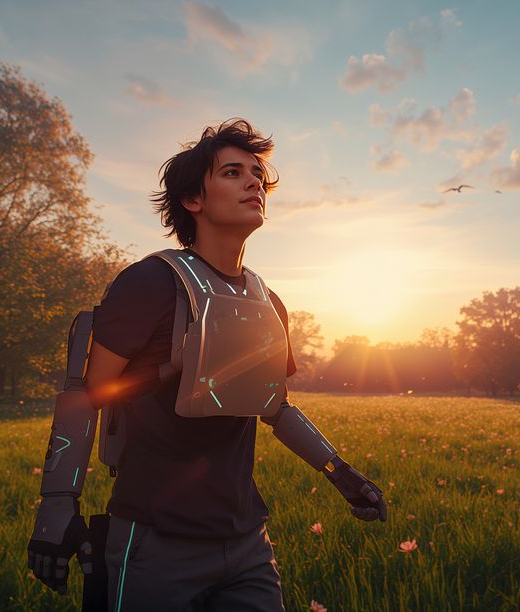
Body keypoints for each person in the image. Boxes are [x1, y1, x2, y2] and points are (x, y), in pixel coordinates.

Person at [27, 118, 387, 611]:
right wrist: (56, 507)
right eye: (233, 173)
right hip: (153, 539)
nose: (254, 183)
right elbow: (86, 396)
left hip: (246, 540)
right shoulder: (149, 283)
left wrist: (340, 472)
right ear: (192, 199)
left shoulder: (268, 302)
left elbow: (276, 407)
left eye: (257, 175)